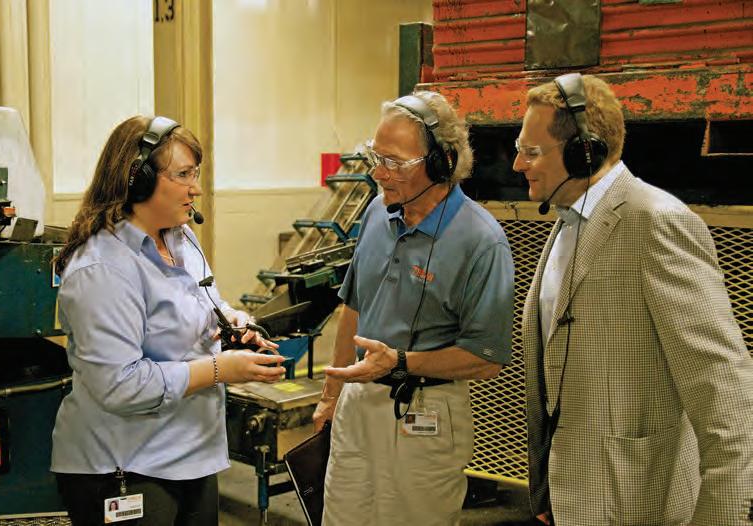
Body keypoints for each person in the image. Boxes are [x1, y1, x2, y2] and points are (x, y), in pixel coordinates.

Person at [516, 73, 753, 525]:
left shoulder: (657, 223)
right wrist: (548, 492)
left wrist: (720, 516)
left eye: (531, 151)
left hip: (635, 504)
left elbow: (725, 393)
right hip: (570, 503)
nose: (516, 164)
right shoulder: (566, 224)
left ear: (584, 151)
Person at [50, 115, 286, 526]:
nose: (196, 188)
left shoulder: (180, 238)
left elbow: (205, 302)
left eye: (196, 173)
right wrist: (220, 369)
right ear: (138, 180)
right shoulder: (103, 269)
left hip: (192, 454)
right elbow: (120, 385)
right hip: (127, 466)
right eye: (183, 175)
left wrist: (233, 322)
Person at [314, 91, 515, 525]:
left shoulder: (482, 241)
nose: (378, 173)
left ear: (442, 163)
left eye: (394, 163)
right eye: (375, 157)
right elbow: (354, 306)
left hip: (424, 410)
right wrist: (332, 394)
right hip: (357, 402)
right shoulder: (376, 212)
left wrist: (401, 362)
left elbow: (486, 359)